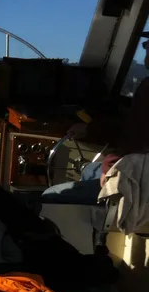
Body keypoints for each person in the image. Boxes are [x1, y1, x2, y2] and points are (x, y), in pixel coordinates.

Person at [42, 32, 149, 204]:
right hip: (141, 175)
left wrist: (109, 166)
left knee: (52, 194)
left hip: (139, 184)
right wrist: (89, 129)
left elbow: (135, 139)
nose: (146, 48)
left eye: (148, 44)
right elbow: (131, 126)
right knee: (89, 170)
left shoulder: (147, 89)